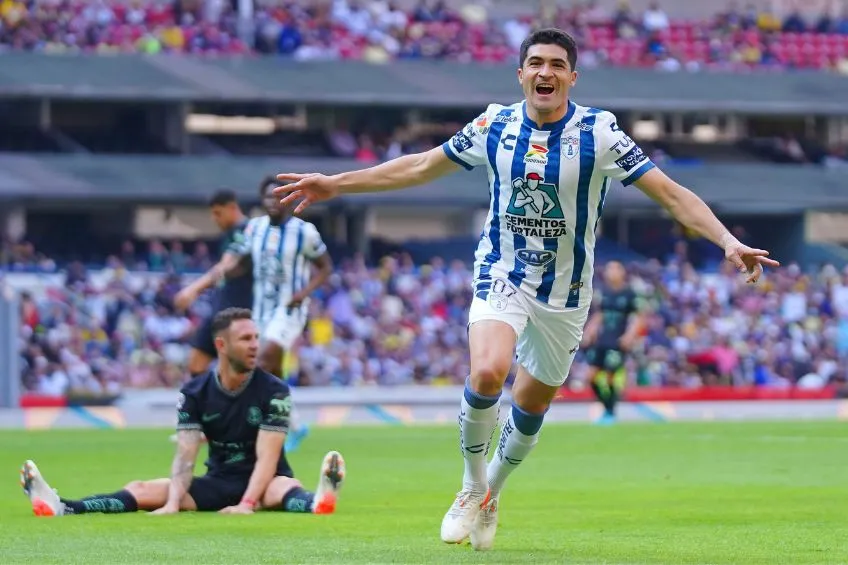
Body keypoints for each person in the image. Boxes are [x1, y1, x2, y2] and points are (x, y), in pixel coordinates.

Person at [272, 28, 779, 551]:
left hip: (566, 293)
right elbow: (423, 165)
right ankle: (471, 487)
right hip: (502, 273)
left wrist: (725, 240)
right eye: (536, 63)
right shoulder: (495, 124)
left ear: (571, 77)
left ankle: (493, 490)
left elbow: (670, 194)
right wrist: (337, 182)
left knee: (530, 403)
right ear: (521, 74)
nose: (546, 72)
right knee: (488, 370)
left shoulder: (599, 134)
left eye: (557, 65)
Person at [20, 308, 345, 517]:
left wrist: (246, 504)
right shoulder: (194, 392)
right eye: (245, 339)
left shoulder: (275, 390)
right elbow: (186, 455)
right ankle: (66, 507)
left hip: (266, 480)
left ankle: (318, 502)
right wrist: (173, 503)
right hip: (219, 481)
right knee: (143, 490)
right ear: (221, 345)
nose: (255, 345)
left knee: (282, 488)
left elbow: (268, 458)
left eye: (256, 338)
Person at [218, 177, 333, 453]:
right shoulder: (254, 229)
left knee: (262, 358)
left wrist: (303, 294)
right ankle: (293, 424)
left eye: (277, 197)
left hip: (289, 310)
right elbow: (241, 260)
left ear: (288, 200)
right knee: (271, 370)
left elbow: (326, 268)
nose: (272, 202)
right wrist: (226, 273)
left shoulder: (304, 232)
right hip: (261, 310)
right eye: (267, 197)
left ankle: (260, 423)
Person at [174, 189, 253, 377]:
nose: (214, 218)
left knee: (236, 373)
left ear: (232, 208)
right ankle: (207, 405)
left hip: (237, 314)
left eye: (218, 213)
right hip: (219, 312)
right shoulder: (229, 234)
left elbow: (227, 263)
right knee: (196, 364)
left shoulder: (245, 230)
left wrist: (193, 289)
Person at [581, 261, 643, 424]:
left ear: (622, 272)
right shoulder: (603, 292)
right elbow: (599, 315)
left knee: (609, 376)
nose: (611, 272)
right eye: (609, 269)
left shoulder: (629, 293)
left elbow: (638, 317)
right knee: (591, 377)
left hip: (617, 341)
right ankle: (607, 407)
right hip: (602, 340)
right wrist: (589, 332)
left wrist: (629, 336)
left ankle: (610, 413)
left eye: (615, 269)